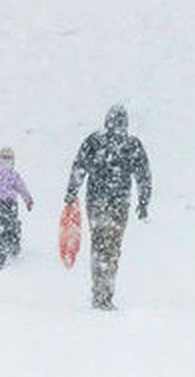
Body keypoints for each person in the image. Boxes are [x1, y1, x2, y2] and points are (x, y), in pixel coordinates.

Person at [64, 105, 151, 310]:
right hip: (119, 203)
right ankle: (106, 294)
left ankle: (99, 292)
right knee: (111, 248)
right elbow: (143, 175)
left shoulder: (94, 141)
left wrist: (71, 191)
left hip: (96, 201)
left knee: (98, 245)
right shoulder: (132, 144)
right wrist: (143, 201)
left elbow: (79, 166)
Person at [0, 147, 34, 269]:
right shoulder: (12, 173)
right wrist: (28, 199)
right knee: (11, 225)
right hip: (9, 203)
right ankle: (12, 247)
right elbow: (21, 187)